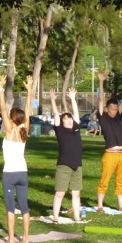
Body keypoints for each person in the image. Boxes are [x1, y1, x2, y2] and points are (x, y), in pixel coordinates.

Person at [0, 74, 31, 243]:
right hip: (23, 173)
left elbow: (3, 109)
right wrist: (30, 90)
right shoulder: (25, 130)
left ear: (11, 118)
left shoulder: (10, 129)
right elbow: (29, 109)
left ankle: (11, 238)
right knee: (24, 207)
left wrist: (1, 89)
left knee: (11, 208)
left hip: (9, 174)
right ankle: (25, 238)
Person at [95, 71, 122, 212]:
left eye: (116, 109)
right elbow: (101, 100)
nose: (114, 111)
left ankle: (121, 205)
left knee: (121, 180)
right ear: (106, 109)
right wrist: (101, 82)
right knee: (105, 180)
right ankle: (100, 206)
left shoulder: (117, 117)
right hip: (110, 154)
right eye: (112, 109)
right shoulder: (103, 117)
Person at [49, 86, 83, 223]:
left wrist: (73, 99)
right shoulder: (60, 131)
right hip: (64, 165)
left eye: (70, 119)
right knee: (60, 193)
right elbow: (56, 116)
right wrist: (52, 100)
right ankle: (56, 217)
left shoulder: (76, 129)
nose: (69, 121)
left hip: (77, 165)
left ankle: (77, 216)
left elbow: (76, 114)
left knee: (76, 193)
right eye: (66, 119)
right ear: (62, 123)